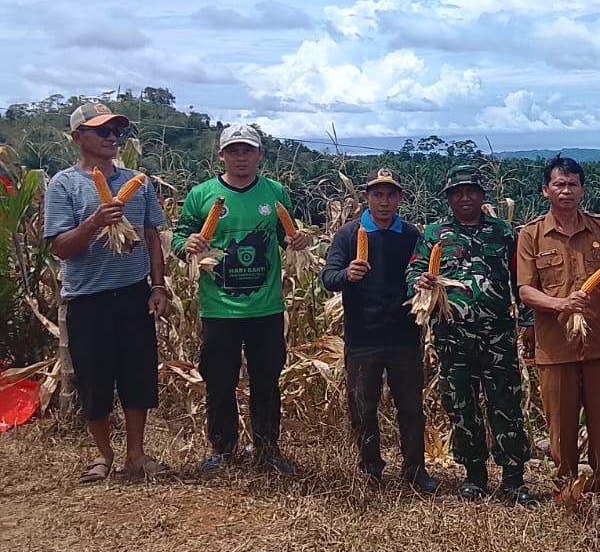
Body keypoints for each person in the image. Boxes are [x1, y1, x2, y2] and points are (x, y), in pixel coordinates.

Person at [43, 102, 170, 483]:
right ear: (78, 137)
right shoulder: (63, 185)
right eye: (102, 131)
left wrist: (158, 286)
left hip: (132, 294)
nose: (112, 138)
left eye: (116, 131)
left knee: (137, 377)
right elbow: (60, 247)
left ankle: (136, 454)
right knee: (94, 381)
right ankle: (103, 454)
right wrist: (95, 222)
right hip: (88, 298)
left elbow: (151, 238)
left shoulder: (138, 183)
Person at [173, 123, 309, 472]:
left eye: (248, 150)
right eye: (233, 151)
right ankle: (223, 449)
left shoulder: (275, 192)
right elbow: (179, 238)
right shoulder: (201, 195)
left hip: (266, 307)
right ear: (221, 155)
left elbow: (285, 237)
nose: (241, 157)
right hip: (219, 308)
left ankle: (268, 450)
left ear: (259, 154)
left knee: (267, 382)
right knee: (220, 383)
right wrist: (187, 244)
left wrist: (297, 241)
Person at [409, 164, 536, 506]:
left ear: (482, 195)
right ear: (449, 198)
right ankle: (474, 475)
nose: (464, 198)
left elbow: (522, 280)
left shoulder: (503, 233)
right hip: (452, 336)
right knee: (461, 406)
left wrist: (528, 321)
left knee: (506, 405)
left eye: (471, 191)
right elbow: (415, 269)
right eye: (457, 193)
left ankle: (513, 479)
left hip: (497, 335)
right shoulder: (435, 233)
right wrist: (419, 282)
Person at [516, 155, 600, 502]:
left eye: (572, 185)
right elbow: (525, 291)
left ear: (582, 190)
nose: (566, 191)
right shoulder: (531, 235)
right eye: (559, 184)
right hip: (556, 345)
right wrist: (560, 305)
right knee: (561, 423)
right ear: (545, 190)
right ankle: (565, 487)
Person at [322, 167, 437, 493]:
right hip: (363, 337)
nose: (384, 202)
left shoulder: (411, 235)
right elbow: (328, 278)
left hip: (404, 336)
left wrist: (424, 283)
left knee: (411, 407)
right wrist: (347, 274)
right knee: (362, 408)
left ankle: (415, 469)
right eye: (377, 195)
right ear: (366, 197)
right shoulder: (349, 235)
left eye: (390, 195)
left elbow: (421, 273)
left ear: (400, 198)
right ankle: (371, 469)